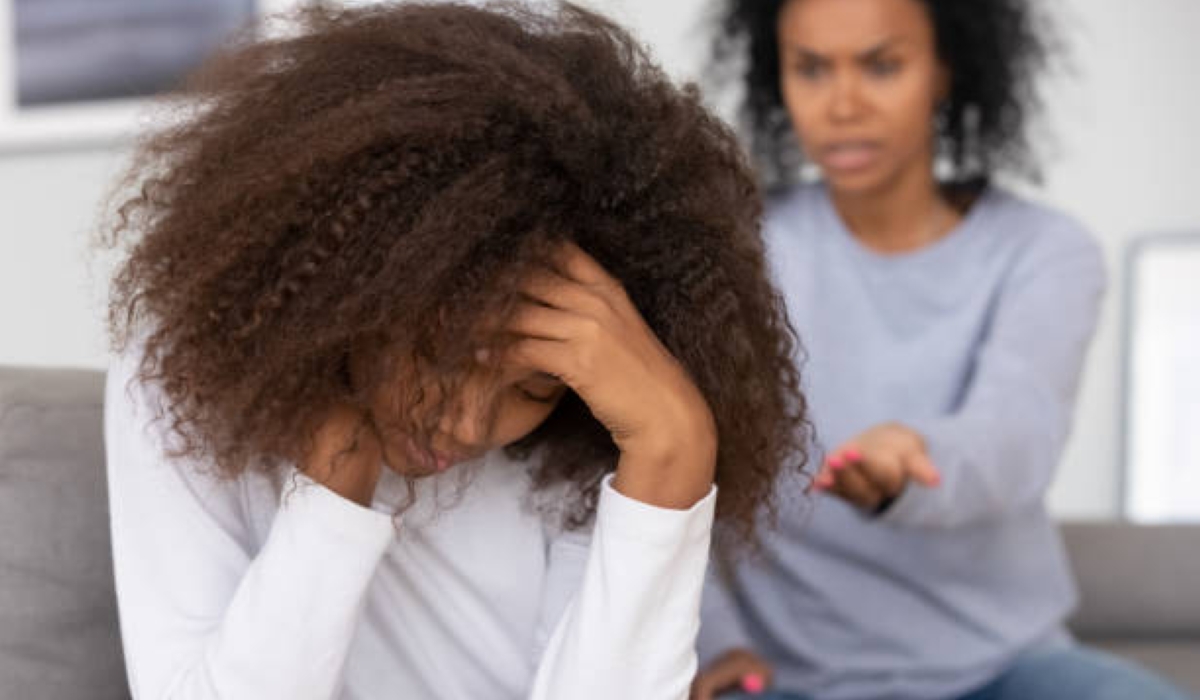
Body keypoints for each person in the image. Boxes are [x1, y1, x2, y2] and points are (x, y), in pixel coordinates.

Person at [100, 3, 809, 698]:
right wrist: (333, 488)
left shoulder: (587, 446)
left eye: (532, 391)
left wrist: (671, 447)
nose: (468, 425)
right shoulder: (176, 375)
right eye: (446, 356)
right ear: (358, 285)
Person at [692, 0, 1193, 698]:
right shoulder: (737, 245)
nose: (842, 103)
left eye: (881, 65)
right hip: (788, 679)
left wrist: (917, 462)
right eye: (810, 69)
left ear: (946, 70)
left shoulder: (1043, 250)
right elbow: (679, 465)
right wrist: (714, 641)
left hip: (1004, 667)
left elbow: (1018, 432)